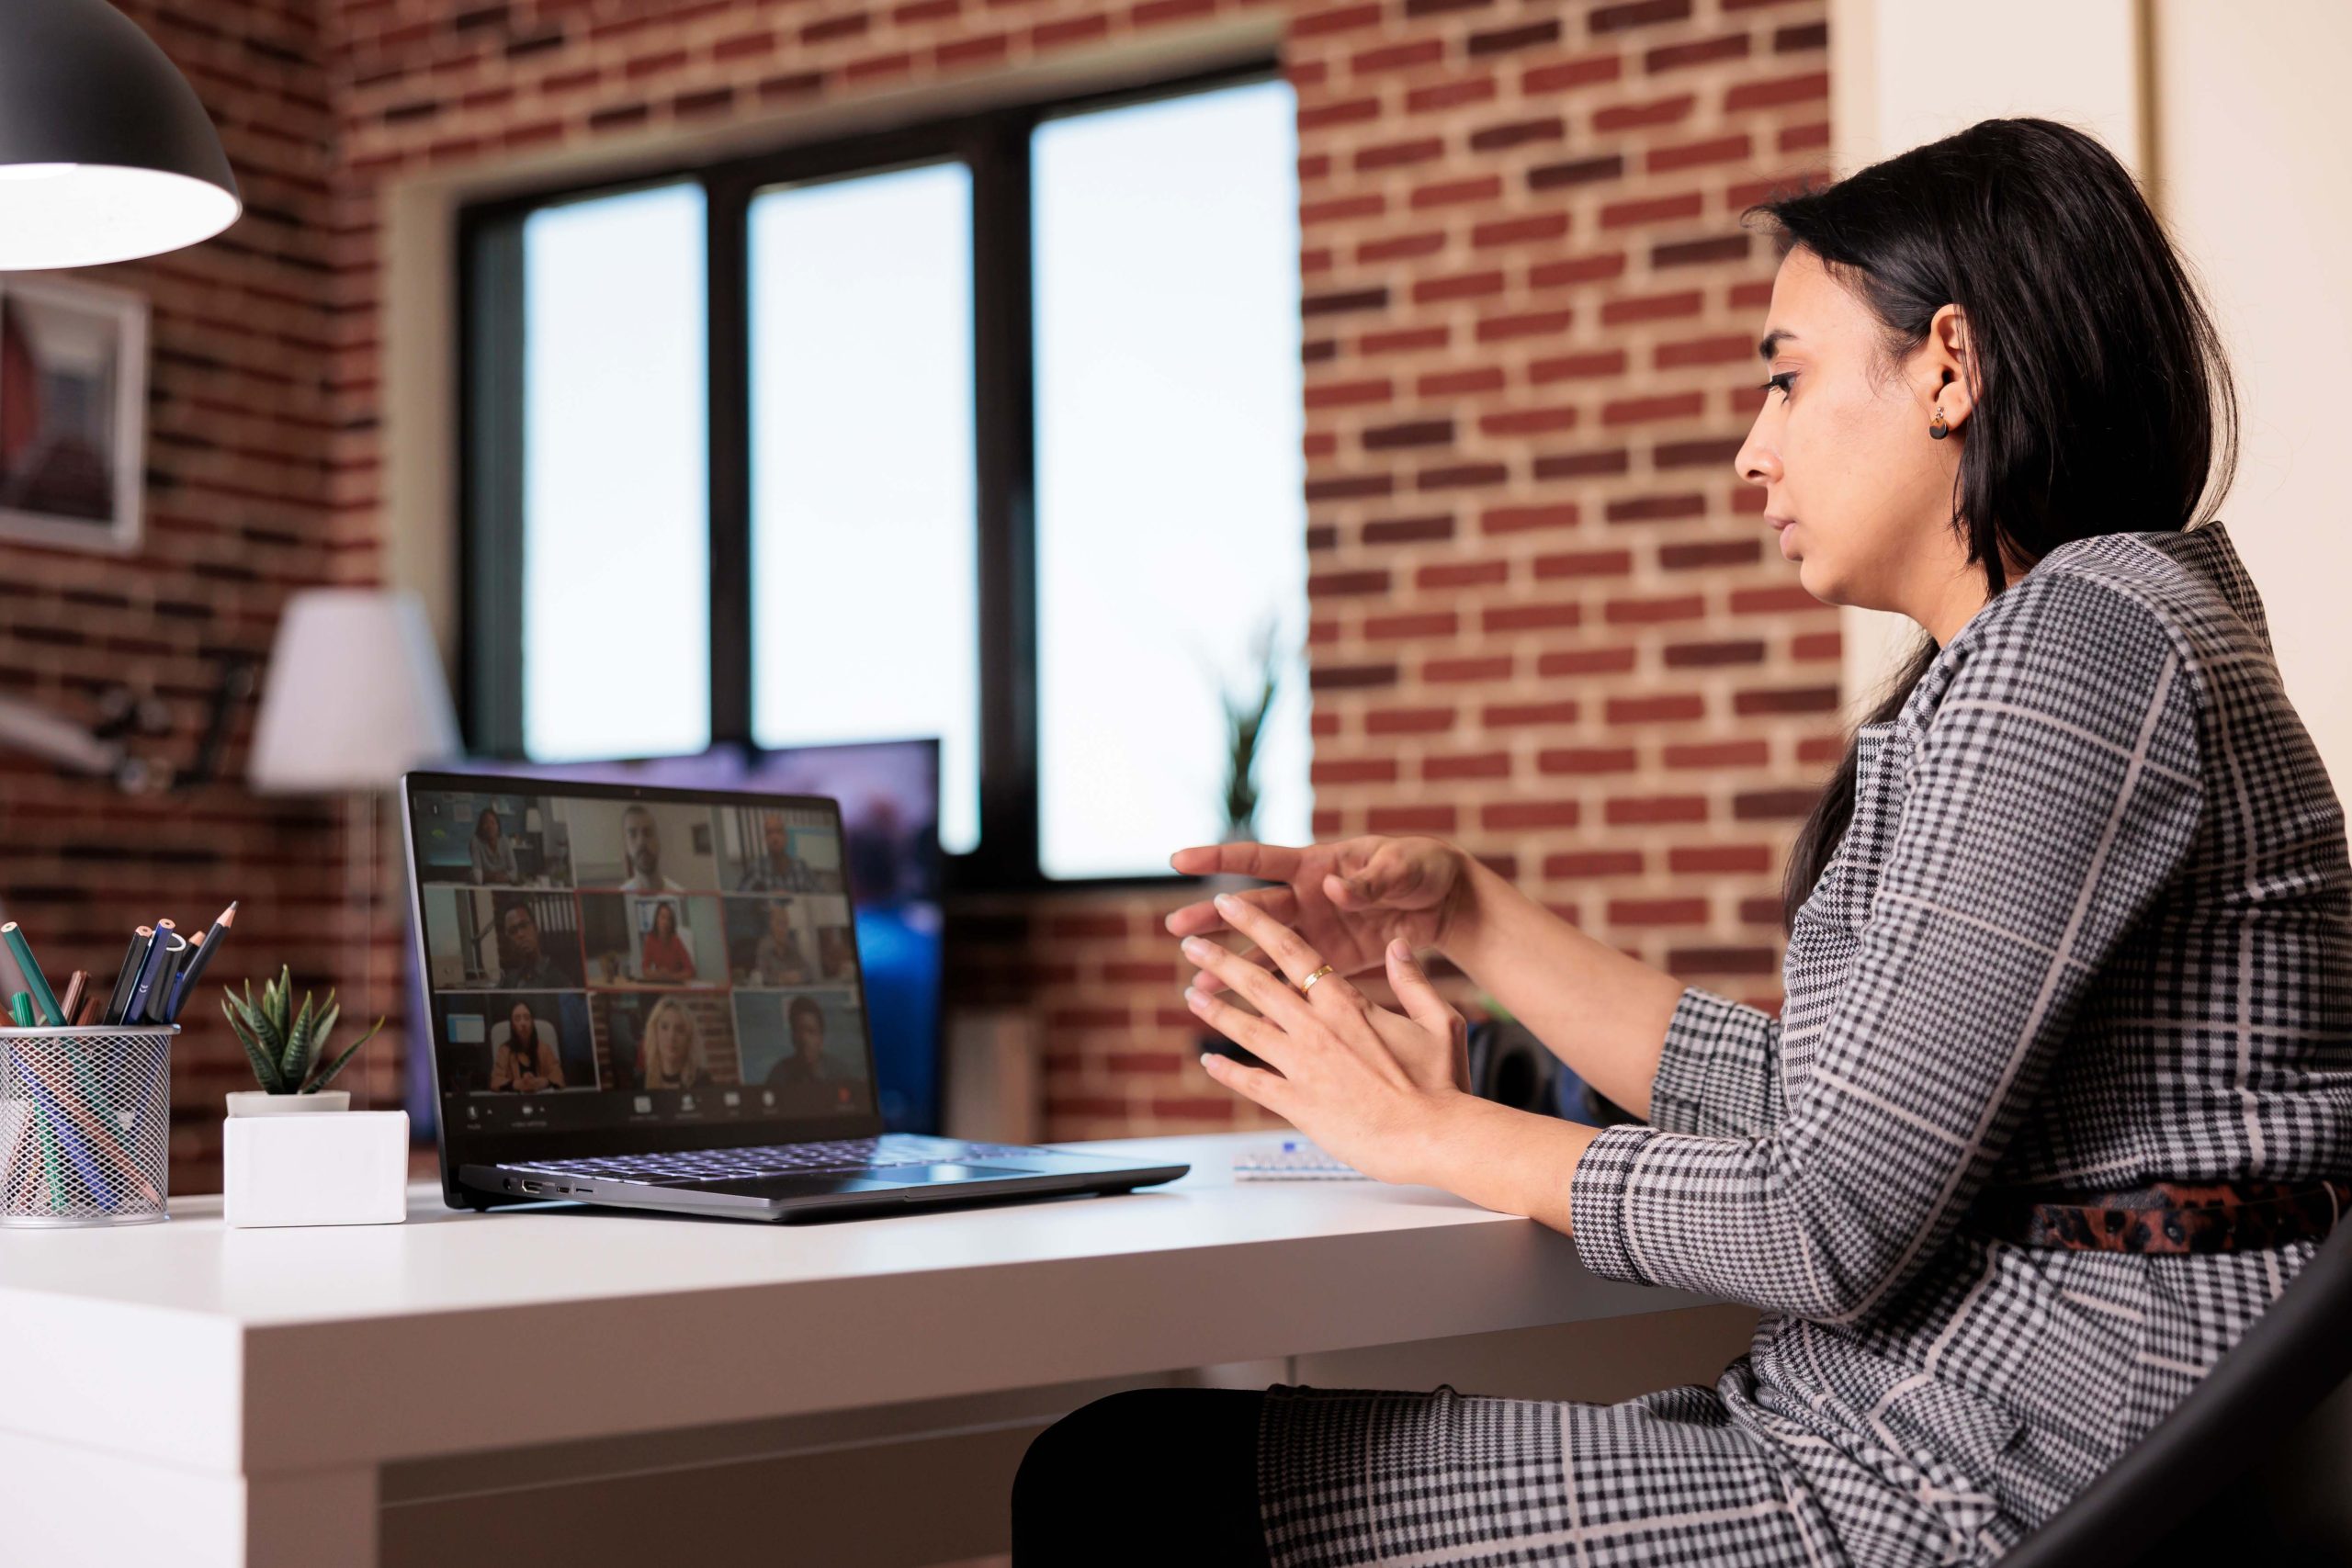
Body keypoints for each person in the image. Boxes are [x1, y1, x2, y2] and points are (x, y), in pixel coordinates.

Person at [1012, 118, 2352, 1567]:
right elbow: (1834, 1114)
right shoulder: (2101, 632)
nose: (1750, 451)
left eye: (1786, 379)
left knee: (1128, 1482)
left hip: (1966, 1473)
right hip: (1970, 1421)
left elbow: (1826, 1213)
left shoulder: (2081, 646)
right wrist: (1467, 909)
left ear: (1949, 367)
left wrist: (1432, 1130)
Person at [492, 897, 574, 989]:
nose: (520, 934)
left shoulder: (559, 978)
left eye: (524, 925)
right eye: (513, 931)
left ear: (536, 927)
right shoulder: (509, 982)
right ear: (508, 940)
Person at [489, 1002, 563, 1093]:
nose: (523, 1023)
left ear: (532, 1022)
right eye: (517, 1019)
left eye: (527, 1018)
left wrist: (543, 1082)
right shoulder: (504, 1050)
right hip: (514, 1103)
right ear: (512, 1025)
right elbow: (495, 1081)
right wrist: (517, 1084)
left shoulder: (545, 1049)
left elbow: (558, 1078)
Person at [637, 996, 706, 1090]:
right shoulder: (640, 1083)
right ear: (655, 1033)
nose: (671, 1037)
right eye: (664, 1027)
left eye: (680, 1030)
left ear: (689, 1039)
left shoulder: (702, 1080)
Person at [762, 995, 830, 1089]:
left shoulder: (839, 1073)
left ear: (821, 1038)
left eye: (811, 1031)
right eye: (799, 1031)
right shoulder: (778, 1074)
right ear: (792, 1037)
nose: (804, 1039)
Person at [736, 815, 818, 893]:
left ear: (786, 837)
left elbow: (821, 899)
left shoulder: (801, 868)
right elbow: (740, 900)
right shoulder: (756, 868)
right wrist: (768, 899)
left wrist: (792, 899)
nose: (774, 837)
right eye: (769, 833)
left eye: (779, 832)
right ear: (765, 839)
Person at [617, 804, 684, 893]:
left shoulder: (680, 895)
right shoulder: (621, 897)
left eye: (648, 832)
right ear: (626, 846)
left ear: (658, 841)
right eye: (633, 834)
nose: (641, 841)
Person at [749, 898, 811, 986]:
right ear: (772, 925)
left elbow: (808, 972)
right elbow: (762, 977)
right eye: (779, 923)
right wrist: (779, 980)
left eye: (785, 924)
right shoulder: (764, 946)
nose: (783, 929)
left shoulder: (791, 945)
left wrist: (798, 976)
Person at [636, 899, 695, 984]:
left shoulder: (675, 941)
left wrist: (671, 976)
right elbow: (645, 969)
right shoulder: (651, 939)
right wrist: (658, 975)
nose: (666, 922)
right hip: (660, 984)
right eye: (663, 917)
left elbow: (690, 971)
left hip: (676, 984)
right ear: (656, 919)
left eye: (669, 919)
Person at [469, 806, 519, 886]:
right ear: (480, 827)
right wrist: (493, 876)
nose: (490, 827)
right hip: (484, 887)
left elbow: (514, 872)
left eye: (493, 823)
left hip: (504, 885)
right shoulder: (476, 841)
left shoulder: (505, 840)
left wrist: (505, 877)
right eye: (485, 823)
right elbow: (477, 877)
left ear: (498, 826)